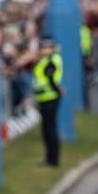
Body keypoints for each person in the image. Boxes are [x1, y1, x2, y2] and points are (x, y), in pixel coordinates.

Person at [32, 36, 64, 167]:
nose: (43, 49)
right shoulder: (47, 59)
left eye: (46, 47)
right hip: (45, 97)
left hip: (49, 97)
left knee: (50, 129)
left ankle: (53, 159)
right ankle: (50, 158)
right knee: (48, 129)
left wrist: (57, 90)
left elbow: (50, 79)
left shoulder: (50, 60)